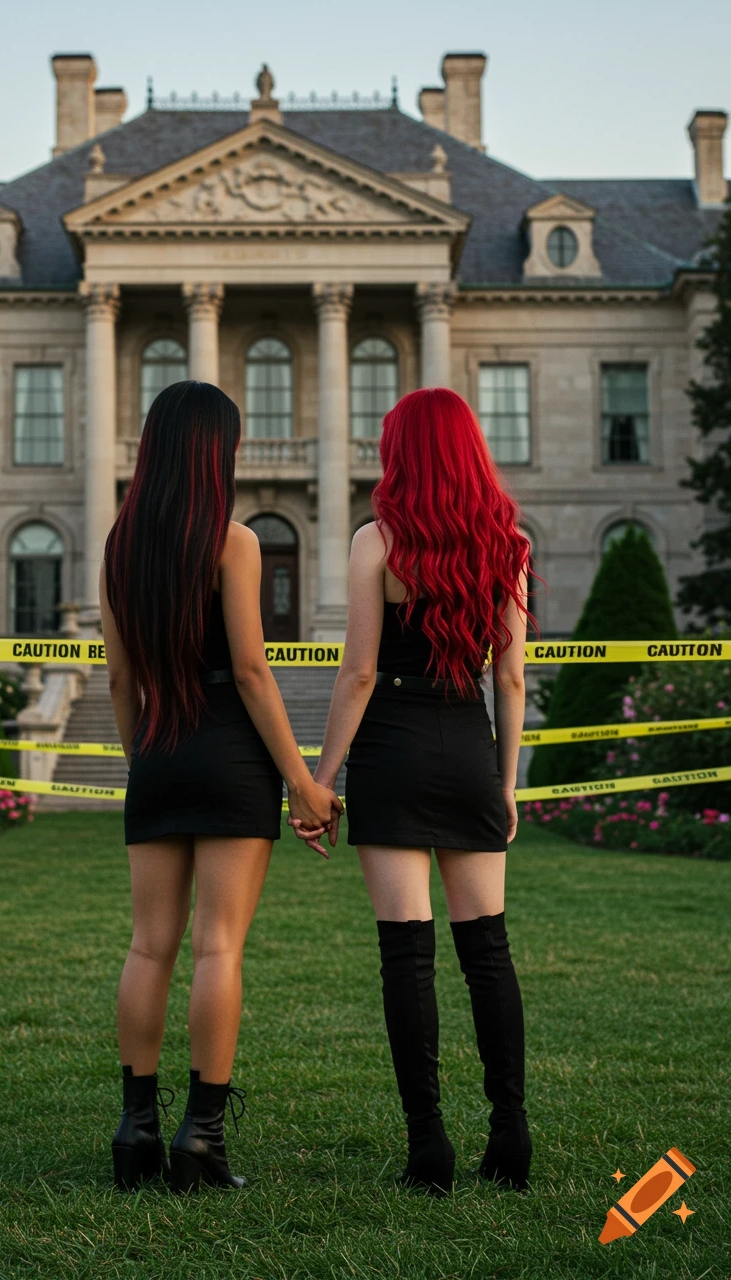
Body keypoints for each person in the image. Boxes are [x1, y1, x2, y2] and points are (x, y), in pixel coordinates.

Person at [291, 387, 535, 1197]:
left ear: (401, 453)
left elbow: (359, 672)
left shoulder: (377, 542)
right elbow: (510, 676)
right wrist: (505, 782)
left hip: (394, 747)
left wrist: (320, 781)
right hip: (468, 741)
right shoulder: (507, 542)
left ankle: (428, 1148)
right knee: (487, 952)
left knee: (409, 955)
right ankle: (510, 1135)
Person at [100, 380, 341, 1195]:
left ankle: (133, 1132)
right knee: (218, 946)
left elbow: (121, 681)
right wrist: (303, 780)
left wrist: (146, 766)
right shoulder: (232, 542)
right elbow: (248, 670)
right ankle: (200, 1139)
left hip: (160, 749)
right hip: (228, 752)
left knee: (147, 946)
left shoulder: (118, 546)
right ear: (217, 453)